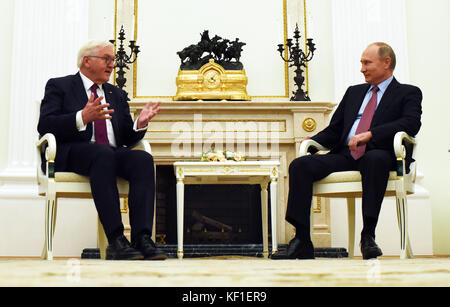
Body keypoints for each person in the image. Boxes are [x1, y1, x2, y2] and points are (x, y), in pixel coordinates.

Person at [271, 42, 422, 260]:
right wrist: (312, 140)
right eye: (361, 63)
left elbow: (410, 124)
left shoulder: (408, 92)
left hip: (380, 153)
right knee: (300, 165)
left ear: (386, 62)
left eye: (367, 62)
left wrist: (371, 134)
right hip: (346, 155)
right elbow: (335, 130)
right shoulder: (354, 92)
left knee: (374, 159)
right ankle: (302, 239)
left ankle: (368, 236)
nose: (362, 68)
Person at [38, 40, 167, 261]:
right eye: (106, 59)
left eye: (113, 60)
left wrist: (139, 124)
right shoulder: (60, 86)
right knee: (102, 154)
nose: (112, 65)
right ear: (86, 61)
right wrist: (82, 117)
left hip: (109, 154)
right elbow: (45, 126)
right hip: (73, 153)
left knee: (143, 159)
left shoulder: (115, 94)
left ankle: (142, 238)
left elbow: (126, 136)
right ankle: (116, 240)